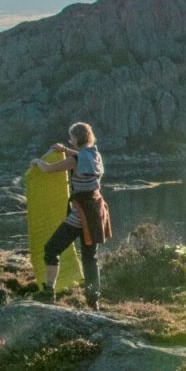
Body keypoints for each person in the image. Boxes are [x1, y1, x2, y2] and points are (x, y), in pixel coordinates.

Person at [34, 122, 111, 306]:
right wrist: (65, 149)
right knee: (90, 258)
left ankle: (48, 292)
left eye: (71, 137)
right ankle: (94, 301)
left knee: (51, 249)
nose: (70, 140)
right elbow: (80, 156)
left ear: (76, 138)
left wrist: (37, 162)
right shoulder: (95, 155)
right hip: (97, 211)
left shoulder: (75, 160)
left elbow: (48, 169)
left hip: (80, 215)